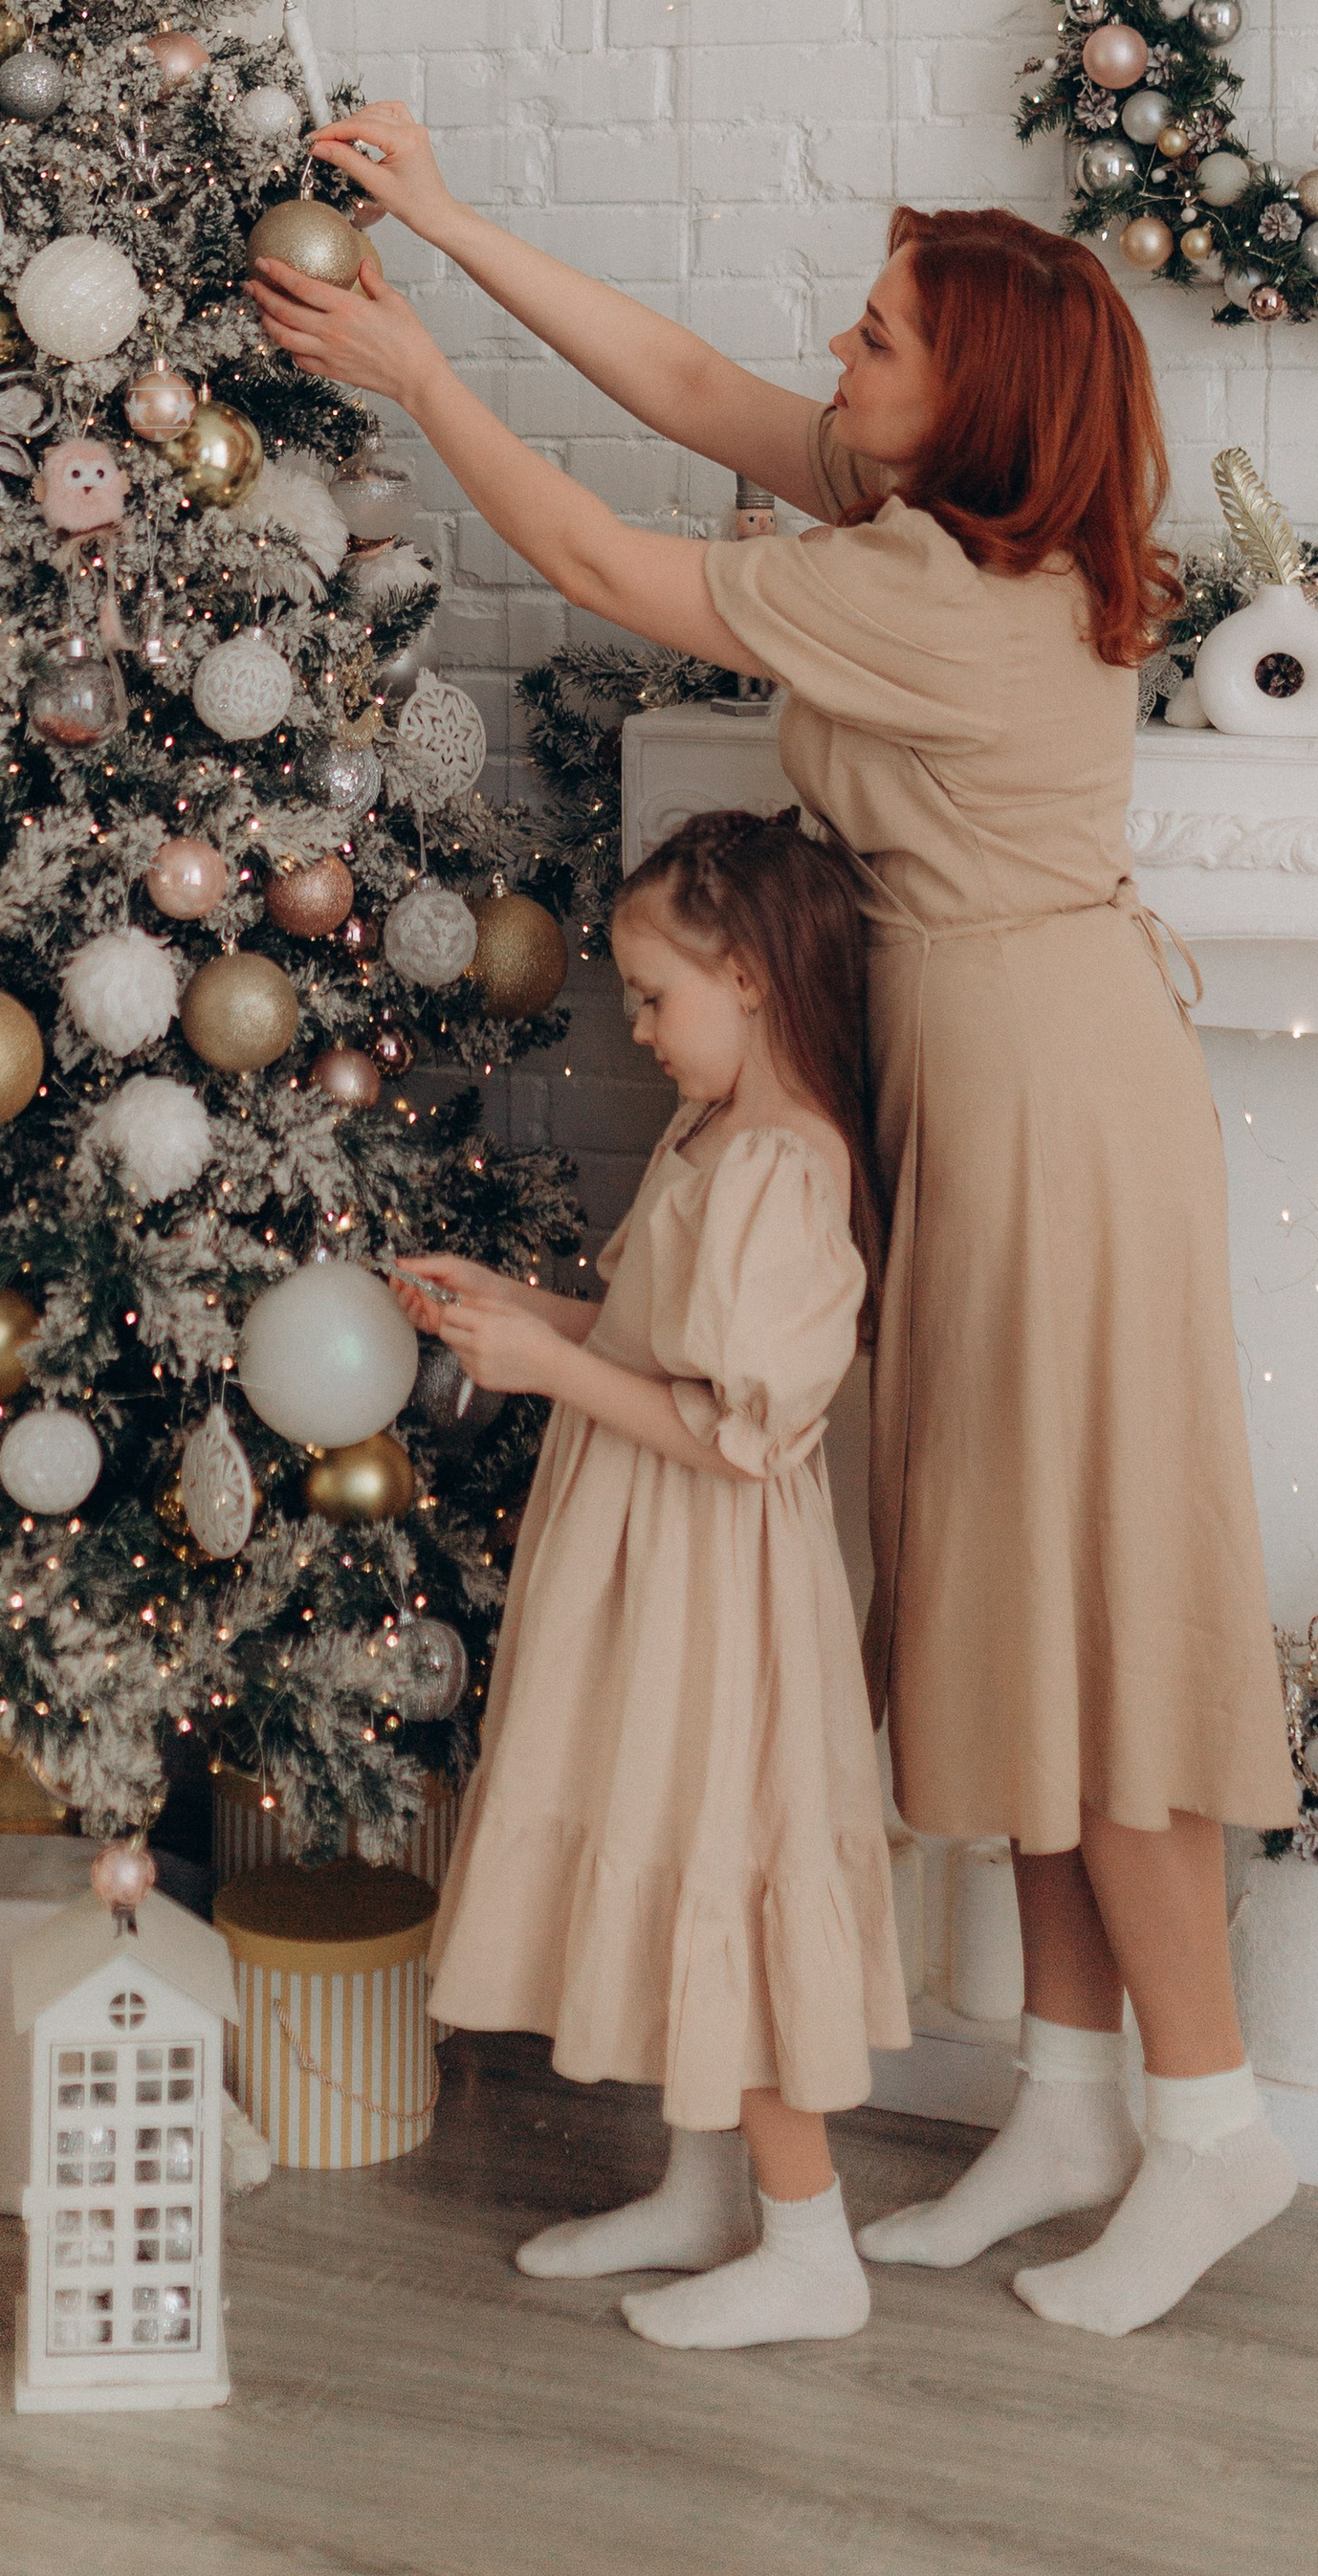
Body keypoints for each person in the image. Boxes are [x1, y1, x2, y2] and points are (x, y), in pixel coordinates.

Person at [252, 125, 1301, 2340]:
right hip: (977, 1063)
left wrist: (409, 370)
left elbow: (594, 546)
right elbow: (683, 394)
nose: (838, 345)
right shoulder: (929, 527)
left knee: (1090, 1627)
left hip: (1047, 1105)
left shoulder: (942, 595)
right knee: (1003, 1608)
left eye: (883, 332)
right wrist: (444, 217)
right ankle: (1075, 2094)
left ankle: (1211, 2126)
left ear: (979, 398)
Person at [406, 809, 909, 2351]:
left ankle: (813, 2241)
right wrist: (530, 1307)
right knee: (668, 1831)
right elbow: (651, 1334)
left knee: (728, 1861)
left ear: (751, 977)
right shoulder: (709, 1138)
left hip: (716, 1579)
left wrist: (547, 1363)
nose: (633, 1025)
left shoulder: (785, 1164)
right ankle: (704, 2192)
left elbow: (739, 1431)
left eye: (652, 995)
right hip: (641, 1552)